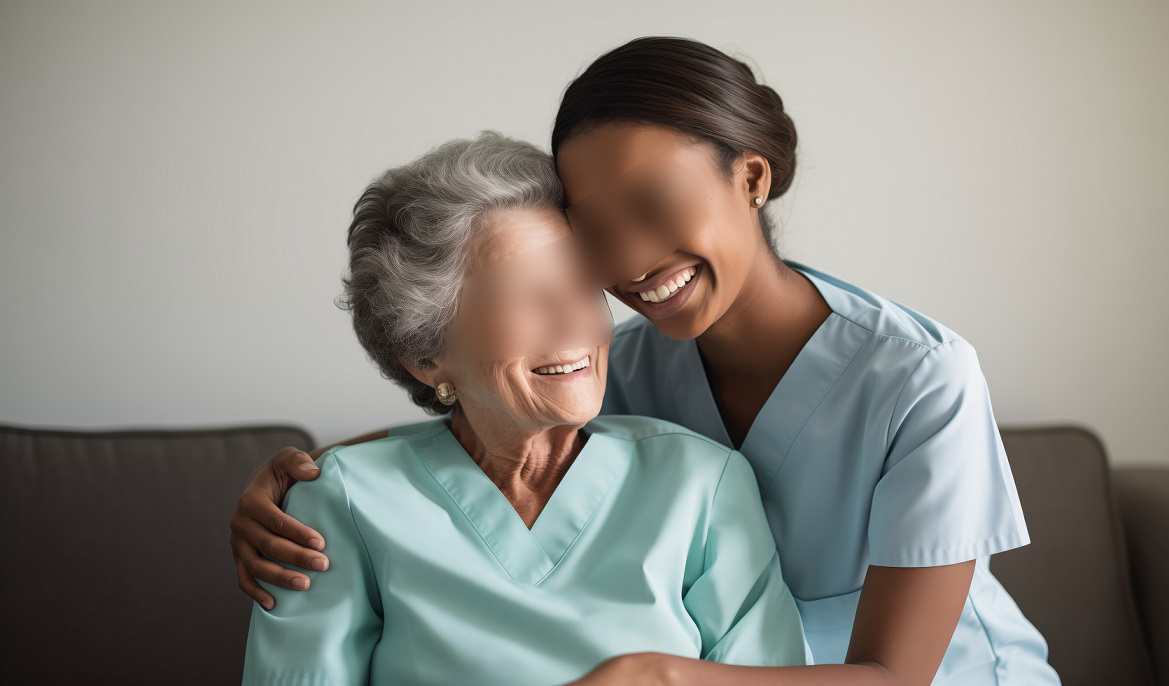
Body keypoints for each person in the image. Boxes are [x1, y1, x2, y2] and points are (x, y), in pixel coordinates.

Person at [232, 37, 1061, 684]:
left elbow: (892, 674)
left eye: (655, 204)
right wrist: (306, 484)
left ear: (751, 179)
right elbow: (484, 409)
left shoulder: (920, 378)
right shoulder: (625, 366)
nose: (625, 261)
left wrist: (660, 675)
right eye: (593, 227)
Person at [239, 132, 811, 686]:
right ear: (426, 356)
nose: (577, 323)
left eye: (584, 287)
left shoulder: (704, 486)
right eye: (529, 298)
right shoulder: (339, 504)